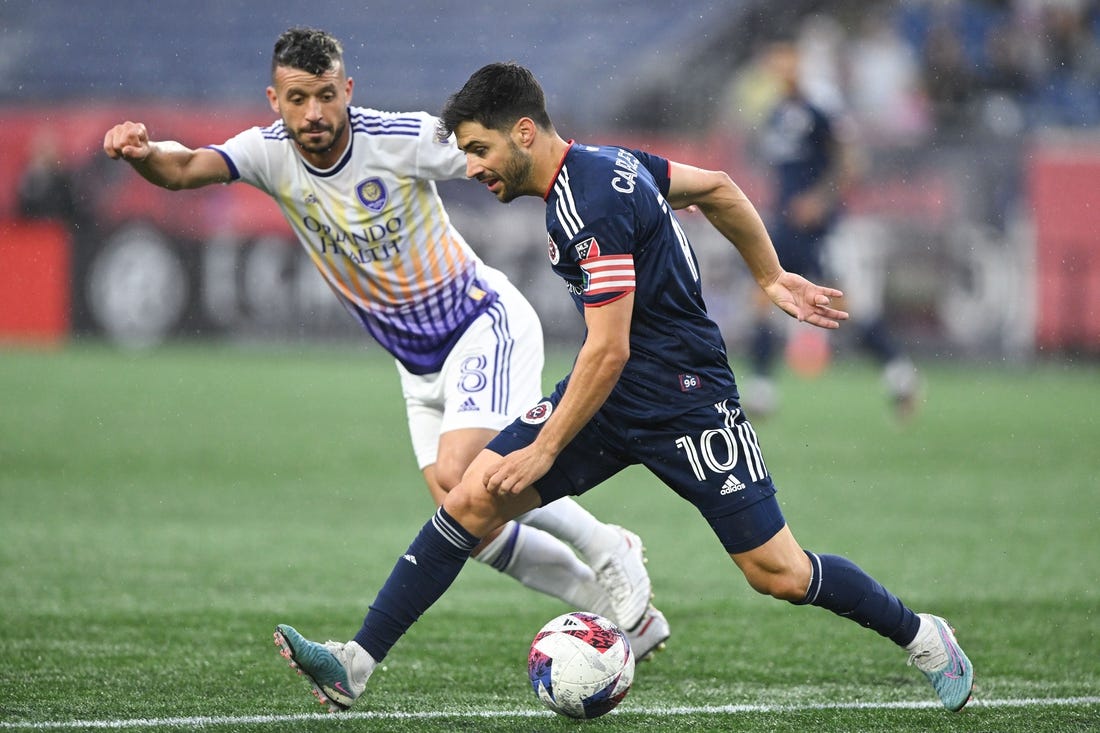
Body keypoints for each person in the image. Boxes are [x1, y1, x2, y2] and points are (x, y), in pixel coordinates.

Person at [272, 62, 974, 714]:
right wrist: (769, 275)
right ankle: (355, 664)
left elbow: (610, 348)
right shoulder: (610, 166)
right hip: (610, 396)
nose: (472, 165)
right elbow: (720, 189)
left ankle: (923, 635)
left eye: (480, 148)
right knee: (472, 495)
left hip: (685, 401)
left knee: (779, 573)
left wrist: (545, 451)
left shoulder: (588, 202)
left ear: (524, 132)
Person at [102, 29, 669, 658]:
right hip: (415, 364)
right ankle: (621, 619)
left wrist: (635, 185)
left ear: (347, 90)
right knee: (468, 525)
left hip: (481, 323)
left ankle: (605, 544)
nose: (313, 114)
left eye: (324, 96)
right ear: (274, 99)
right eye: (297, 99)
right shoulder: (265, 154)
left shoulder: (398, 139)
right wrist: (144, 152)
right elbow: (183, 167)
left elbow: (522, 156)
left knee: (466, 474)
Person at [745, 39, 920, 420]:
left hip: (820, 226)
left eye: (786, 59)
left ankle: (899, 373)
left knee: (843, 306)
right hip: (783, 224)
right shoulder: (777, 112)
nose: (780, 67)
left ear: (798, 62)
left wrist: (820, 201)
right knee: (763, 299)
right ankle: (761, 391)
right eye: (775, 61)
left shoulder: (821, 105)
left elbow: (852, 161)